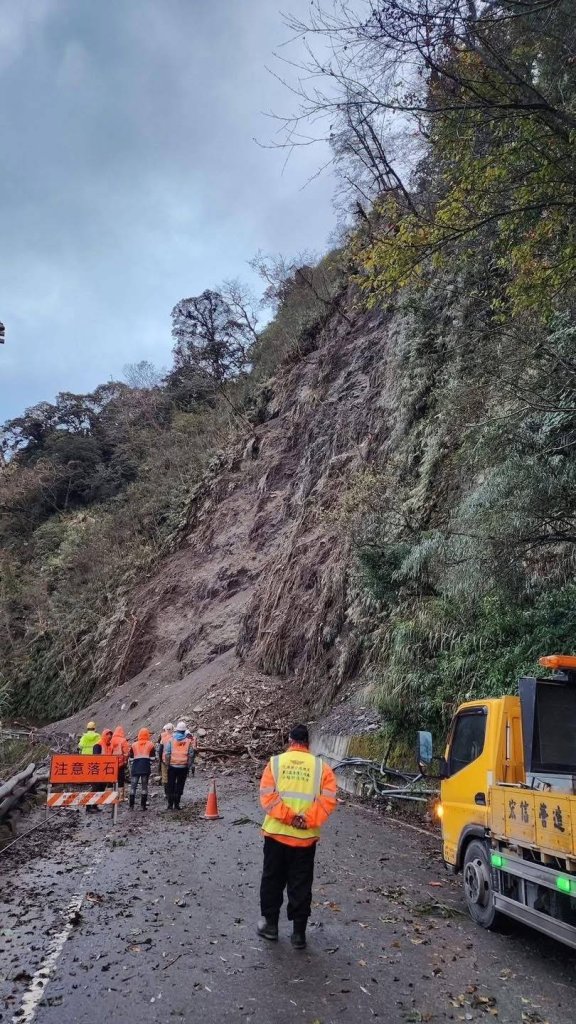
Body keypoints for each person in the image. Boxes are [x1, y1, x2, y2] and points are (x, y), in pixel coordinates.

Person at [257, 724, 337, 949]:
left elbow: (268, 798)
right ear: (308, 743)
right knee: (301, 884)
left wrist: (289, 817)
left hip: (276, 836)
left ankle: (271, 927)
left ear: (290, 741)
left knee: (272, 881)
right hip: (305, 840)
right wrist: (306, 820)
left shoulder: (275, 763)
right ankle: (299, 934)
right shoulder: (323, 769)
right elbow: (328, 801)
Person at [164, 721, 194, 810]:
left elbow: (167, 754)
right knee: (180, 785)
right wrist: (189, 765)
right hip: (183, 767)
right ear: (184, 731)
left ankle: (170, 805)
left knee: (171, 785)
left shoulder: (171, 740)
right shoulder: (188, 741)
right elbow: (191, 755)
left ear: (176, 730)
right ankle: (177, 805)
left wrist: (167, 764)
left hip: (172, 767)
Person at [128, 729, 156, 810]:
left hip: (135, 768)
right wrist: (148, 763)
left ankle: (131, 806)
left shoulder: (134, 745)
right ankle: (142, 806)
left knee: (133, 786)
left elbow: (131, 758)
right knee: (144, 787)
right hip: (145, 767)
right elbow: (153, 758)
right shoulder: (150, 744)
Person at [78, 721, 102, 813]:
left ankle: (90, 805)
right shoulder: (98, 737)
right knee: (95, 785)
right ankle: (92, 805)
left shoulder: (84, 737)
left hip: (85, 763)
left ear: (87, 728)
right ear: (95, 728)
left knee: (92, 785)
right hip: (95, 763)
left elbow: (79, 747)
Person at [111, 725, 130, 800]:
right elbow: (126, 753)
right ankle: (121, 797)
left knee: (111, 780)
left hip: (111, 763)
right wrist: (125, 761)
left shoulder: (111, 740)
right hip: (120, 763)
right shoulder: (123, 740)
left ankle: (111, 797)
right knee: (121, 779)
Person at [157, 722, 174, 800]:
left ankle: (167, 793)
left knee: (165, 777)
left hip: (164, 761)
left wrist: (160, 760)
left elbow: (160, 750)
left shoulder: (163, 738)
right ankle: (172, 792)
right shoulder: (175, 737)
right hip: (174, 761)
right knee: (172, 777)